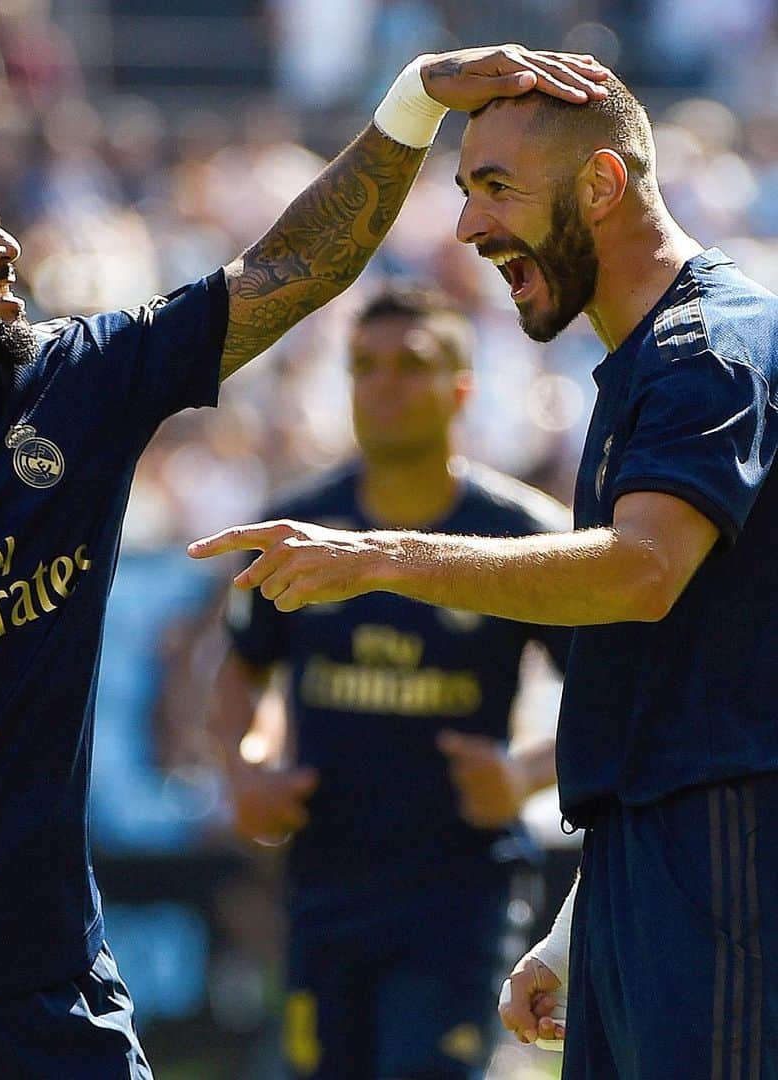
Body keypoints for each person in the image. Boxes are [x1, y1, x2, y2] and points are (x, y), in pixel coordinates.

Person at [0, 47, 609, 1079]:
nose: (4, 246)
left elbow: (289, 270)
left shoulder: (80, 387)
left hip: (55, 991)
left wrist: (411, 103)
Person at [189, 69, 778, 1079]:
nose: (465, 227)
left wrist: (381, 558)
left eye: (495, 187)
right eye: (464, 191)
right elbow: (668, 689)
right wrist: (580, 920)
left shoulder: (709, 349)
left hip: (721, 860)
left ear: (600, 183)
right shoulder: (644, 365)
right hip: (648, 868)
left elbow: (642, 576)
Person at [210, 283, 571, 1080]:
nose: (384, 384)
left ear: (462, 389)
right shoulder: (302, 524)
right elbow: (243, 673)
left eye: (410, 365)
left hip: (459, 891)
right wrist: (248, 768)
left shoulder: (522, 534)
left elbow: (615, 694)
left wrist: (523, 775)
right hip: (325, 886)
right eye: (364, 366)